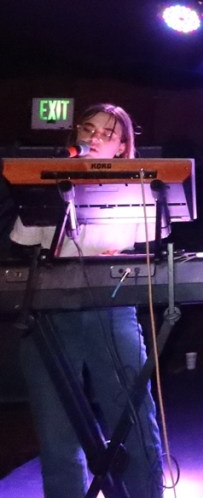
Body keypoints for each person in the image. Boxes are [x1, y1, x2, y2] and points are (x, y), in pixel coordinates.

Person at [11, 103, 166, 498]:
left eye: (107, 133)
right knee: (56, 430)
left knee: (131, 417)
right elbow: (26, 245)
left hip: (110, 306)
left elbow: (152, 240)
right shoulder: (47, 181)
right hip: (49, 310)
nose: (94, 137)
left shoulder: (138, 184)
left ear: (122, 146)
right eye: (88, 129)